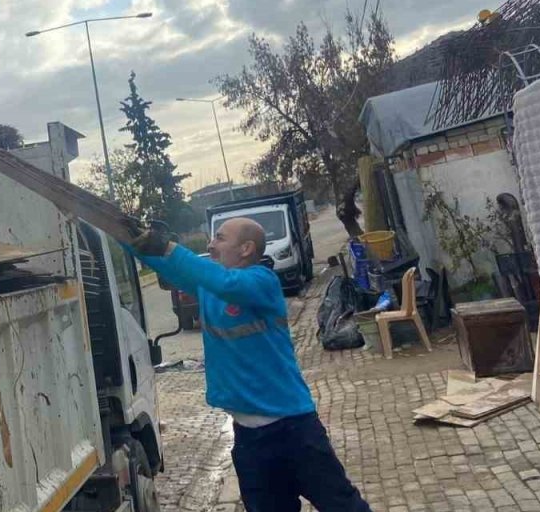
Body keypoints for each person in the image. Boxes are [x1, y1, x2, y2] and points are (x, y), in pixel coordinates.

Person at [129, 219, 370, 512]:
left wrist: (169, 247)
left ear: (246, 248)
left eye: (219, 238)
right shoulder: (210, 287)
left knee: (342, 505)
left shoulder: (262, 282)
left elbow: (225, 283)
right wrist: (128, 235)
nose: (210, 245)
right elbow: (168, 266)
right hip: (249, 440)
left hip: (294, 430)